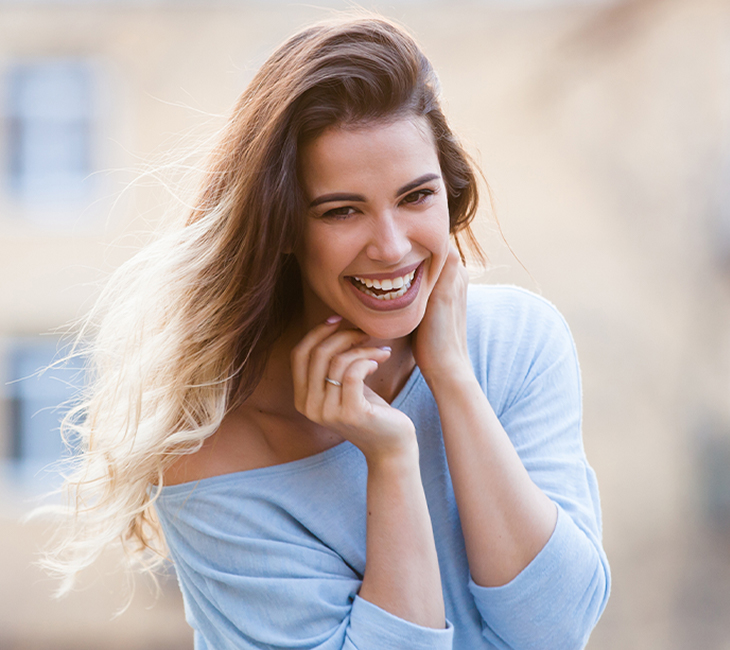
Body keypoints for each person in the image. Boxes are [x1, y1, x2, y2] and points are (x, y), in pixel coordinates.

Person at [45, 14, 610, 650]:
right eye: (342, 211)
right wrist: (390, 460)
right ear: (283, 228)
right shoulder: (216, 444)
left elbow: (557, 628)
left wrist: (453, 380)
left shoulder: (518, 342)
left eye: (416, 197)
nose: (392, 246)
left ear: (450, 192)